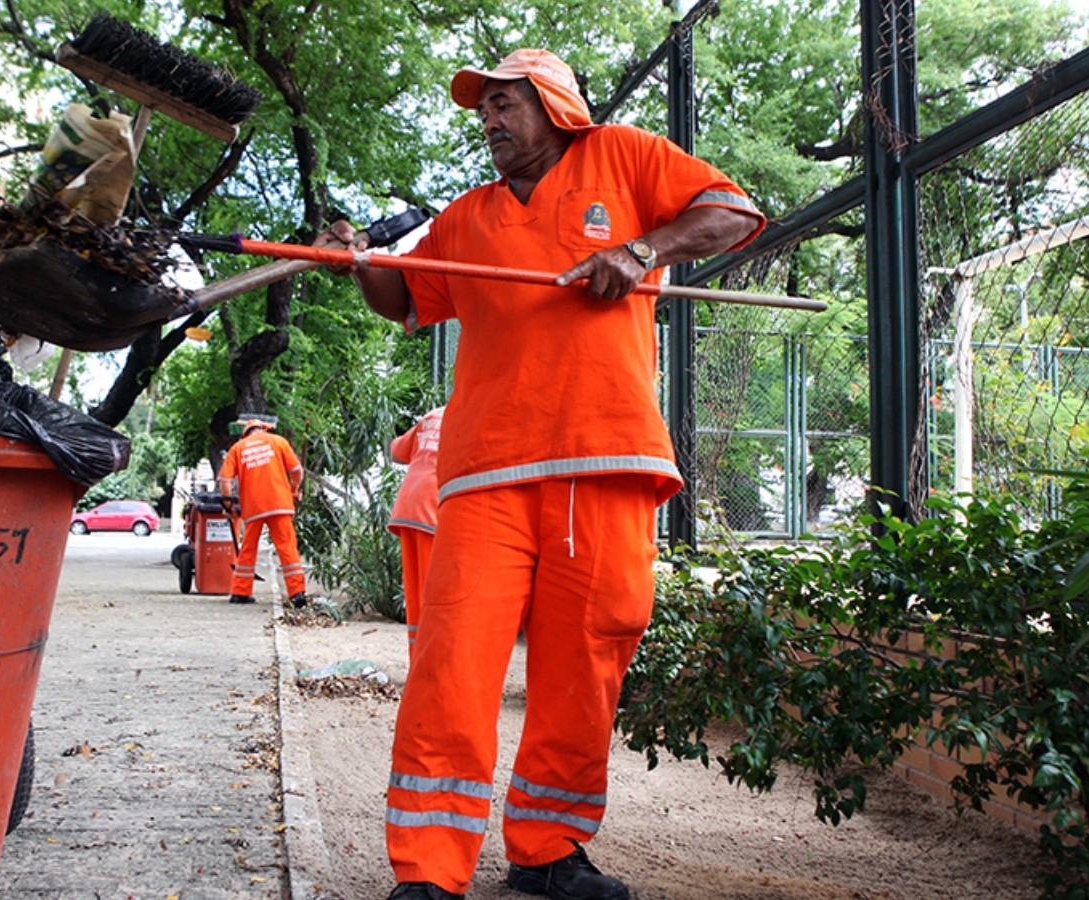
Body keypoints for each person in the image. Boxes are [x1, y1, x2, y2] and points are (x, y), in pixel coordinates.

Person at [318, 48, 766, 900]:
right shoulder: (468, 217)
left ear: (554, 105)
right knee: (451, 664)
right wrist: (356, 263)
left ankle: (548, 848)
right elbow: (409, 299)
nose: (488, 122)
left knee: (584, 664)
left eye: (503, 105)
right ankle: (427, 871)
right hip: (486, 473)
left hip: (608, 460)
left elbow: (733, 211)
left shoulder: (624, 157)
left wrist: (640, 251)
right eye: (482, 109)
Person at [217, 417, 308, 607]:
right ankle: (297, 594)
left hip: (253, 507)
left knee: (248, 549)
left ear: (246, 433)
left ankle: (240, 592)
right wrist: (294, 489)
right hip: (279, 504)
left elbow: (225, 481)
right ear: (264, 430)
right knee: (287, 548)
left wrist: (228, 505)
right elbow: (297, 470)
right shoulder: (279, 442)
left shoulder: (238, 448)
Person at [387, 405, 446, 657]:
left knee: (415, 591)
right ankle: (429, 664)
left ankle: (417, 664)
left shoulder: (433, 416)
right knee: (434, 592)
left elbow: (396, 451)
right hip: (432, 506)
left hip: (408, 506)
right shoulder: (469, 414)